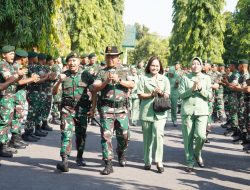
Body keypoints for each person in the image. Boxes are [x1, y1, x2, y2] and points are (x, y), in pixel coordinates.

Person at [92, 46, 134, 175]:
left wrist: (119, 81)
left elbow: (132, 84)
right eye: (108, 56)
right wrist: (106, 81)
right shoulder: (101, 72)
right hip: (106, 109)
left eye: (113, 56)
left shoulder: (125, 71)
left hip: (122, 109)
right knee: (106, 136)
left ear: (118, 58)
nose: (110, 59)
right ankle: (108, 163)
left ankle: (121, 152)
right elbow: (95, 87)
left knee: (125, 136)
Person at [53, 52, 96, 172]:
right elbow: (54, 92)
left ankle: (79, 157)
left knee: (81, 135)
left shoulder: (86, 75)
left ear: (79, 61)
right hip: (67, 109)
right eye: (70, 60)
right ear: (67, 63)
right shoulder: (63, 75)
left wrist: (93, 108)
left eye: (74, 60)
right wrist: (59, 82)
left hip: (82, 110)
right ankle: (65, 159)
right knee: (66, 134)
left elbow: (94, 91)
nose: (72, 63)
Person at [178, 57, 212, 173]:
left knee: (201, 136)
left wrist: (201, 88)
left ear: (202, 66)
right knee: (188, 138)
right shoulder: (185, 78)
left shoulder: (206, 78)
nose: (195, 65)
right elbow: (181, 95)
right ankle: (189, 162)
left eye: (198, 63)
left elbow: (210, 96)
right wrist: (192, 89)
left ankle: (197, 153)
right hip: (187, 111)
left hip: (202, 111)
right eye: (193, 63)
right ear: (190, 66)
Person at [137, 56, 170, 173]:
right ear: (148, 66)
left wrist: (161, 92)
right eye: (152, 65)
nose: (155, 67)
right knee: (147, 138)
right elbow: (140, 94)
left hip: (160, 113)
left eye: (157, 65)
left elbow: (167, 95)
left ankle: (159, 161)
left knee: (159, 135)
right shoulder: (143, 78)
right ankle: (147, 161)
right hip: (147, 112)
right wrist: (151, 94)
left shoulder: (164, 79)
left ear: (160, 67)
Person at [0, 45, 27, 157]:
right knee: (4, 121)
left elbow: (16, 81)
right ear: (3, 55)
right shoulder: (2, 64)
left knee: (8, 121)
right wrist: (17, 75)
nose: (12, 56)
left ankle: (5, 144)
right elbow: (8, 79)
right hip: (4, 96)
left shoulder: (10, 65)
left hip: (10, 96)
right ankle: (2, 146)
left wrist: (20, 76)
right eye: (10, 54)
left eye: (13, 53)